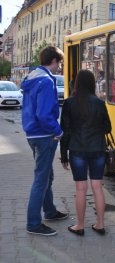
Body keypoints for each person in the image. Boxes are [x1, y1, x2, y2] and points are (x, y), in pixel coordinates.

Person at [21, 46, 69, 236]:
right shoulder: (47, 81)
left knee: (46, 175)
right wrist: (58, 131)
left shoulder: (32, 77)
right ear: (54, 61)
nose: (59, 68)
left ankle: (49, 211)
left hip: (32, 134)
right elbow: (44, 114)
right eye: (60, 63)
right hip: (44, 135)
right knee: (41, 179)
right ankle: (33, 223)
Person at [60, 69, 112, 236]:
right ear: (92, 84)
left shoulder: (69, 103)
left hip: (77, 149)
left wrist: (63, 156)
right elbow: (107, 128)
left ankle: (80, 225)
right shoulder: (99, 103)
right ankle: (100, 224)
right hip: (97, 149)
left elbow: (65, 132)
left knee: (81, 188)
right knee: (97, 186)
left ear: (76, 84)